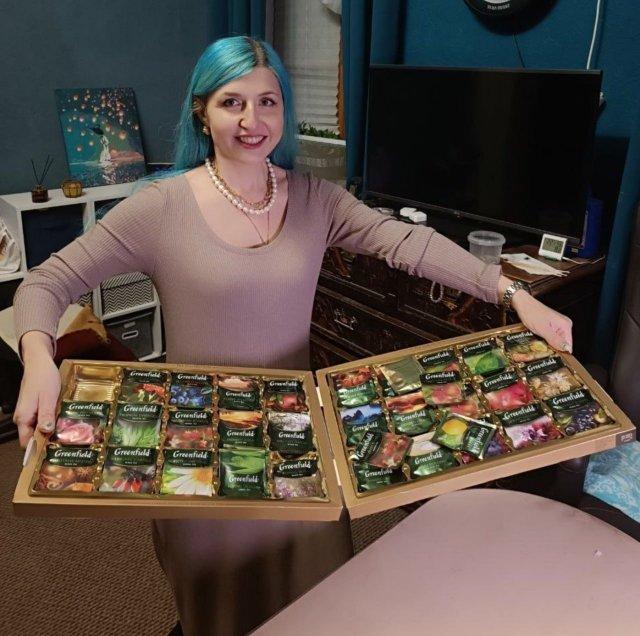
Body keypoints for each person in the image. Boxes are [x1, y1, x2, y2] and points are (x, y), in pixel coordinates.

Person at [12, 36, 572, 636]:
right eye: (232, 103)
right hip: (200, 451)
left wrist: (513, 293)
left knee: (315, 598)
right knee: (219, 609)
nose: (252, 121)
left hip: (299, 443)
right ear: (201, 111)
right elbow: (45, 283)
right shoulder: (160, 208)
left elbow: (407, 242)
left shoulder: (316, 199)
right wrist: (40, 359)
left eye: (268, 102)